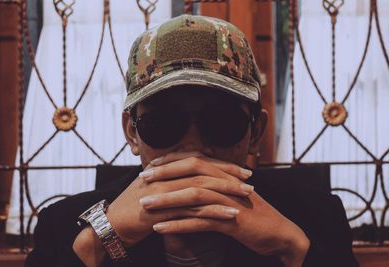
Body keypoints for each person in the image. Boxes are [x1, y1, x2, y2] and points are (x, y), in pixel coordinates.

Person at [25, 15, 359, 267]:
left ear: (255, 131)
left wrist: (292, 247)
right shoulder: (65, 225)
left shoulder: (314, 217)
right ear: (132, 132)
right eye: (163, 122)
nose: (192, 144)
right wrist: (99, 242)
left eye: (222, 121)